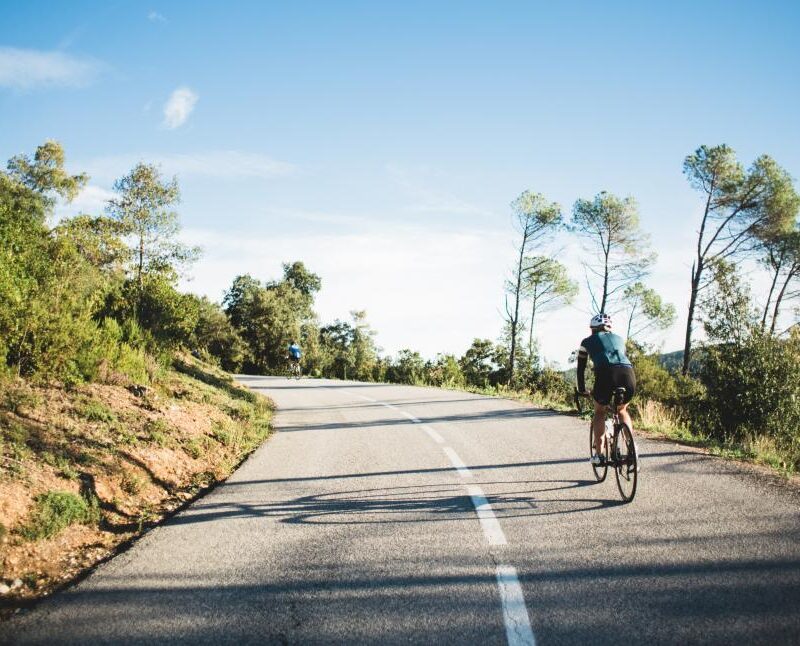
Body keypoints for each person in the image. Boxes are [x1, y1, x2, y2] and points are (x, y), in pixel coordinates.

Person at [576, 313, 636, 465]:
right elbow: (620, 359)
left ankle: (599, 455)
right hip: (628, 373)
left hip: (606, 373)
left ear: (593, 329)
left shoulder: (586, 341)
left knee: (599, 411)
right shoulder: (620, 340)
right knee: (622, 410)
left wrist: (582, 389)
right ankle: (632, 447)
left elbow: (581, 369)